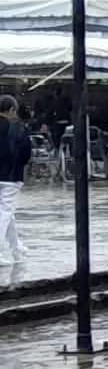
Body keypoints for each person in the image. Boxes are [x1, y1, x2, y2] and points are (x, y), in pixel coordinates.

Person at [0, 95, 30, 266]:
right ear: (11, 110)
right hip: (11, 177)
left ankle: (16, 247)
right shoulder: (18, 128)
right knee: (4, 212)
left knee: (7, 213)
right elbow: (26, 154)